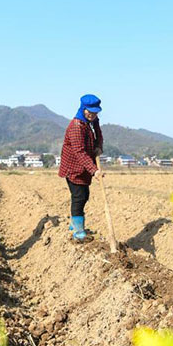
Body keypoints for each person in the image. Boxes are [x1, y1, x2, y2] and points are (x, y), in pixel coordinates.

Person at [58, 94, 104, 240]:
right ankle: (78, 231)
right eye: (90, 112)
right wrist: (94, 170)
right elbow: (80, 152)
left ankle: (74, 222)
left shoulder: (92, 121)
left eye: (95, 112)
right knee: (79, 197)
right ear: (83, 109)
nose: (92, 114)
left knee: (84, 196)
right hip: (73, 167)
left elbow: (99, 134)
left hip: (84, 167)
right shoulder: (76, 126)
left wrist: (98, 146)